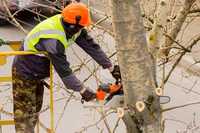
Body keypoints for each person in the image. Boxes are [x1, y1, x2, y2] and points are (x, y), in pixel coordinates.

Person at [12, 2, 120, 133]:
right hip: (25, 72)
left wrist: (111, 67)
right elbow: (65, 72)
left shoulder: (72, 26)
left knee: (34, 112)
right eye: (80, 27)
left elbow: (91, 46)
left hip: (38, 73)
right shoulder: (53, 39)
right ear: (72, 26)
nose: (82, 29)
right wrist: (83, 90)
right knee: (25, 117)